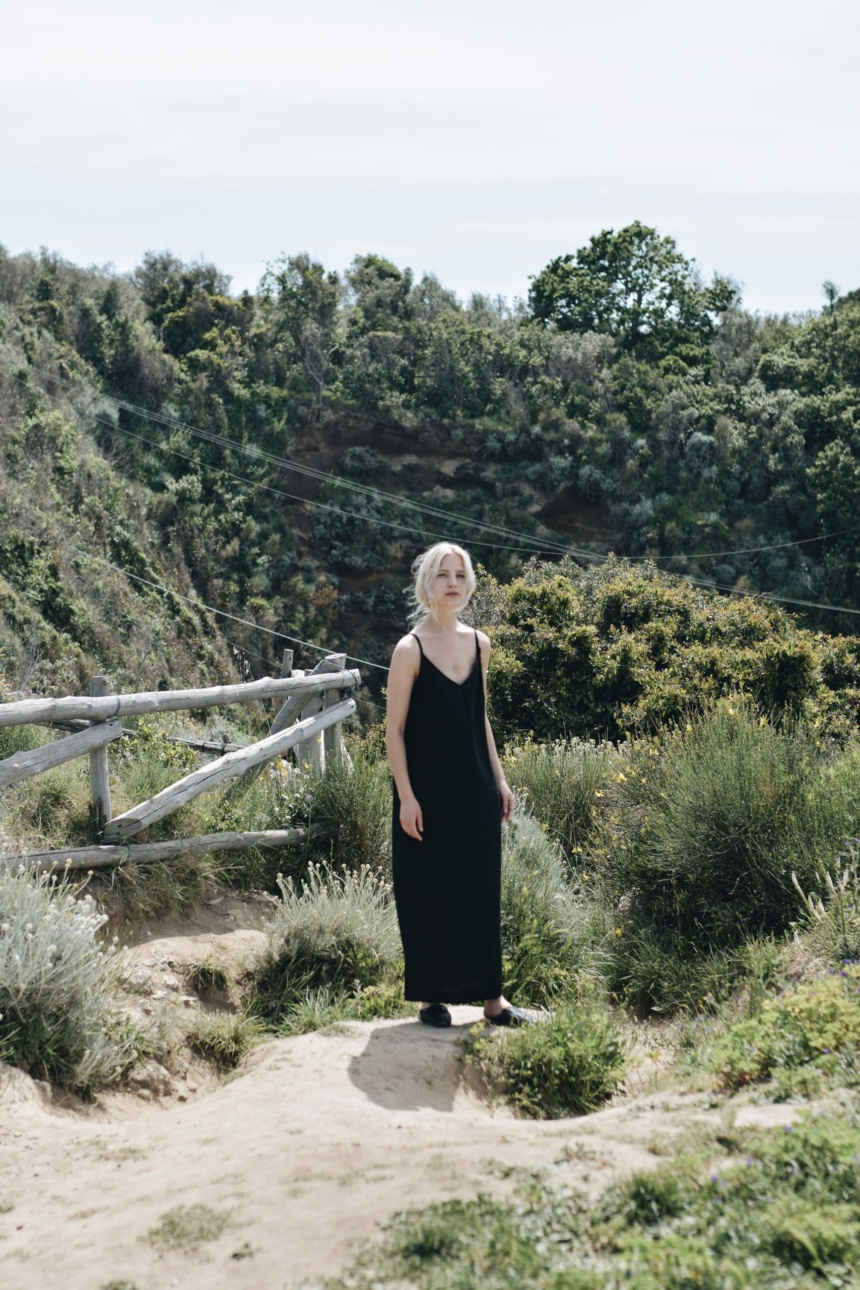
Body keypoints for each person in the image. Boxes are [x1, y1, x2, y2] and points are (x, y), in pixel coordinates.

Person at [385, 541, 535, 1028]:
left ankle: (494, 1001)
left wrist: (501, 778)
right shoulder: (409, 649)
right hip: (426, 792)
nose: (452, 582)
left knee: (479, 890)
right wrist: (407, 796)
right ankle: (432, 998)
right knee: (429, 890)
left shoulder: (480, 644)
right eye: (442, 574)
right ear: (427, 584)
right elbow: (395, 729)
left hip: (474, 787)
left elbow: (480, 717)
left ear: (468, 584)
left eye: (460, 575)